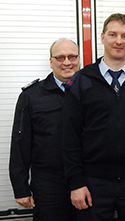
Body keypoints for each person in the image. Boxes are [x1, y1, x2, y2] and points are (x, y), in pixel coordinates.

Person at [61, 13, 125, 221]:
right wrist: (76, 183)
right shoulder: (82, 81)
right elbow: (69, 136)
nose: (119, 41)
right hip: (93, 183)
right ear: (102, 37)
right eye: (113, 34)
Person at [9, 38, 80, 221]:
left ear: (79, 59)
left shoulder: (91, 92)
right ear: (51, 61)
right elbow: (20, 143)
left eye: (72, 57)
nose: (66, 62)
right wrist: (21, 188)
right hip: (48, 184)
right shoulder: (31, 96)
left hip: (85, 181)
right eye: (60, 57)